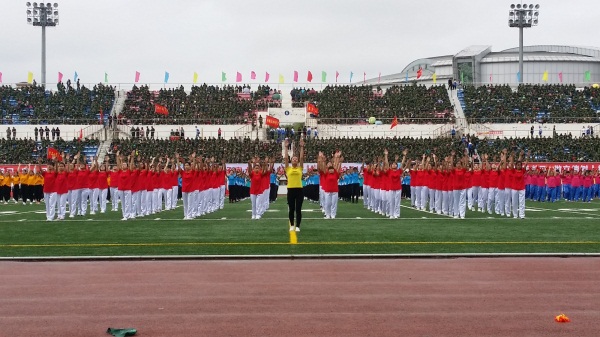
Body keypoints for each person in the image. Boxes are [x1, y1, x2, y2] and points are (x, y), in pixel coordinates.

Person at [284, 137, 305, 232]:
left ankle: (298, 226)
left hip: (299, 190)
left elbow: (301, 157)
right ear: (291, 161)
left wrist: (301, 147)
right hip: (291, 190)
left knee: (298, 209)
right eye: (293, 159)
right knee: (291, 208)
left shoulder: (300, 168)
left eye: (296, 159)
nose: (295, 160)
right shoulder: (288, 169)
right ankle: (292, 225)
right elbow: (285, 158)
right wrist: (285, 147)